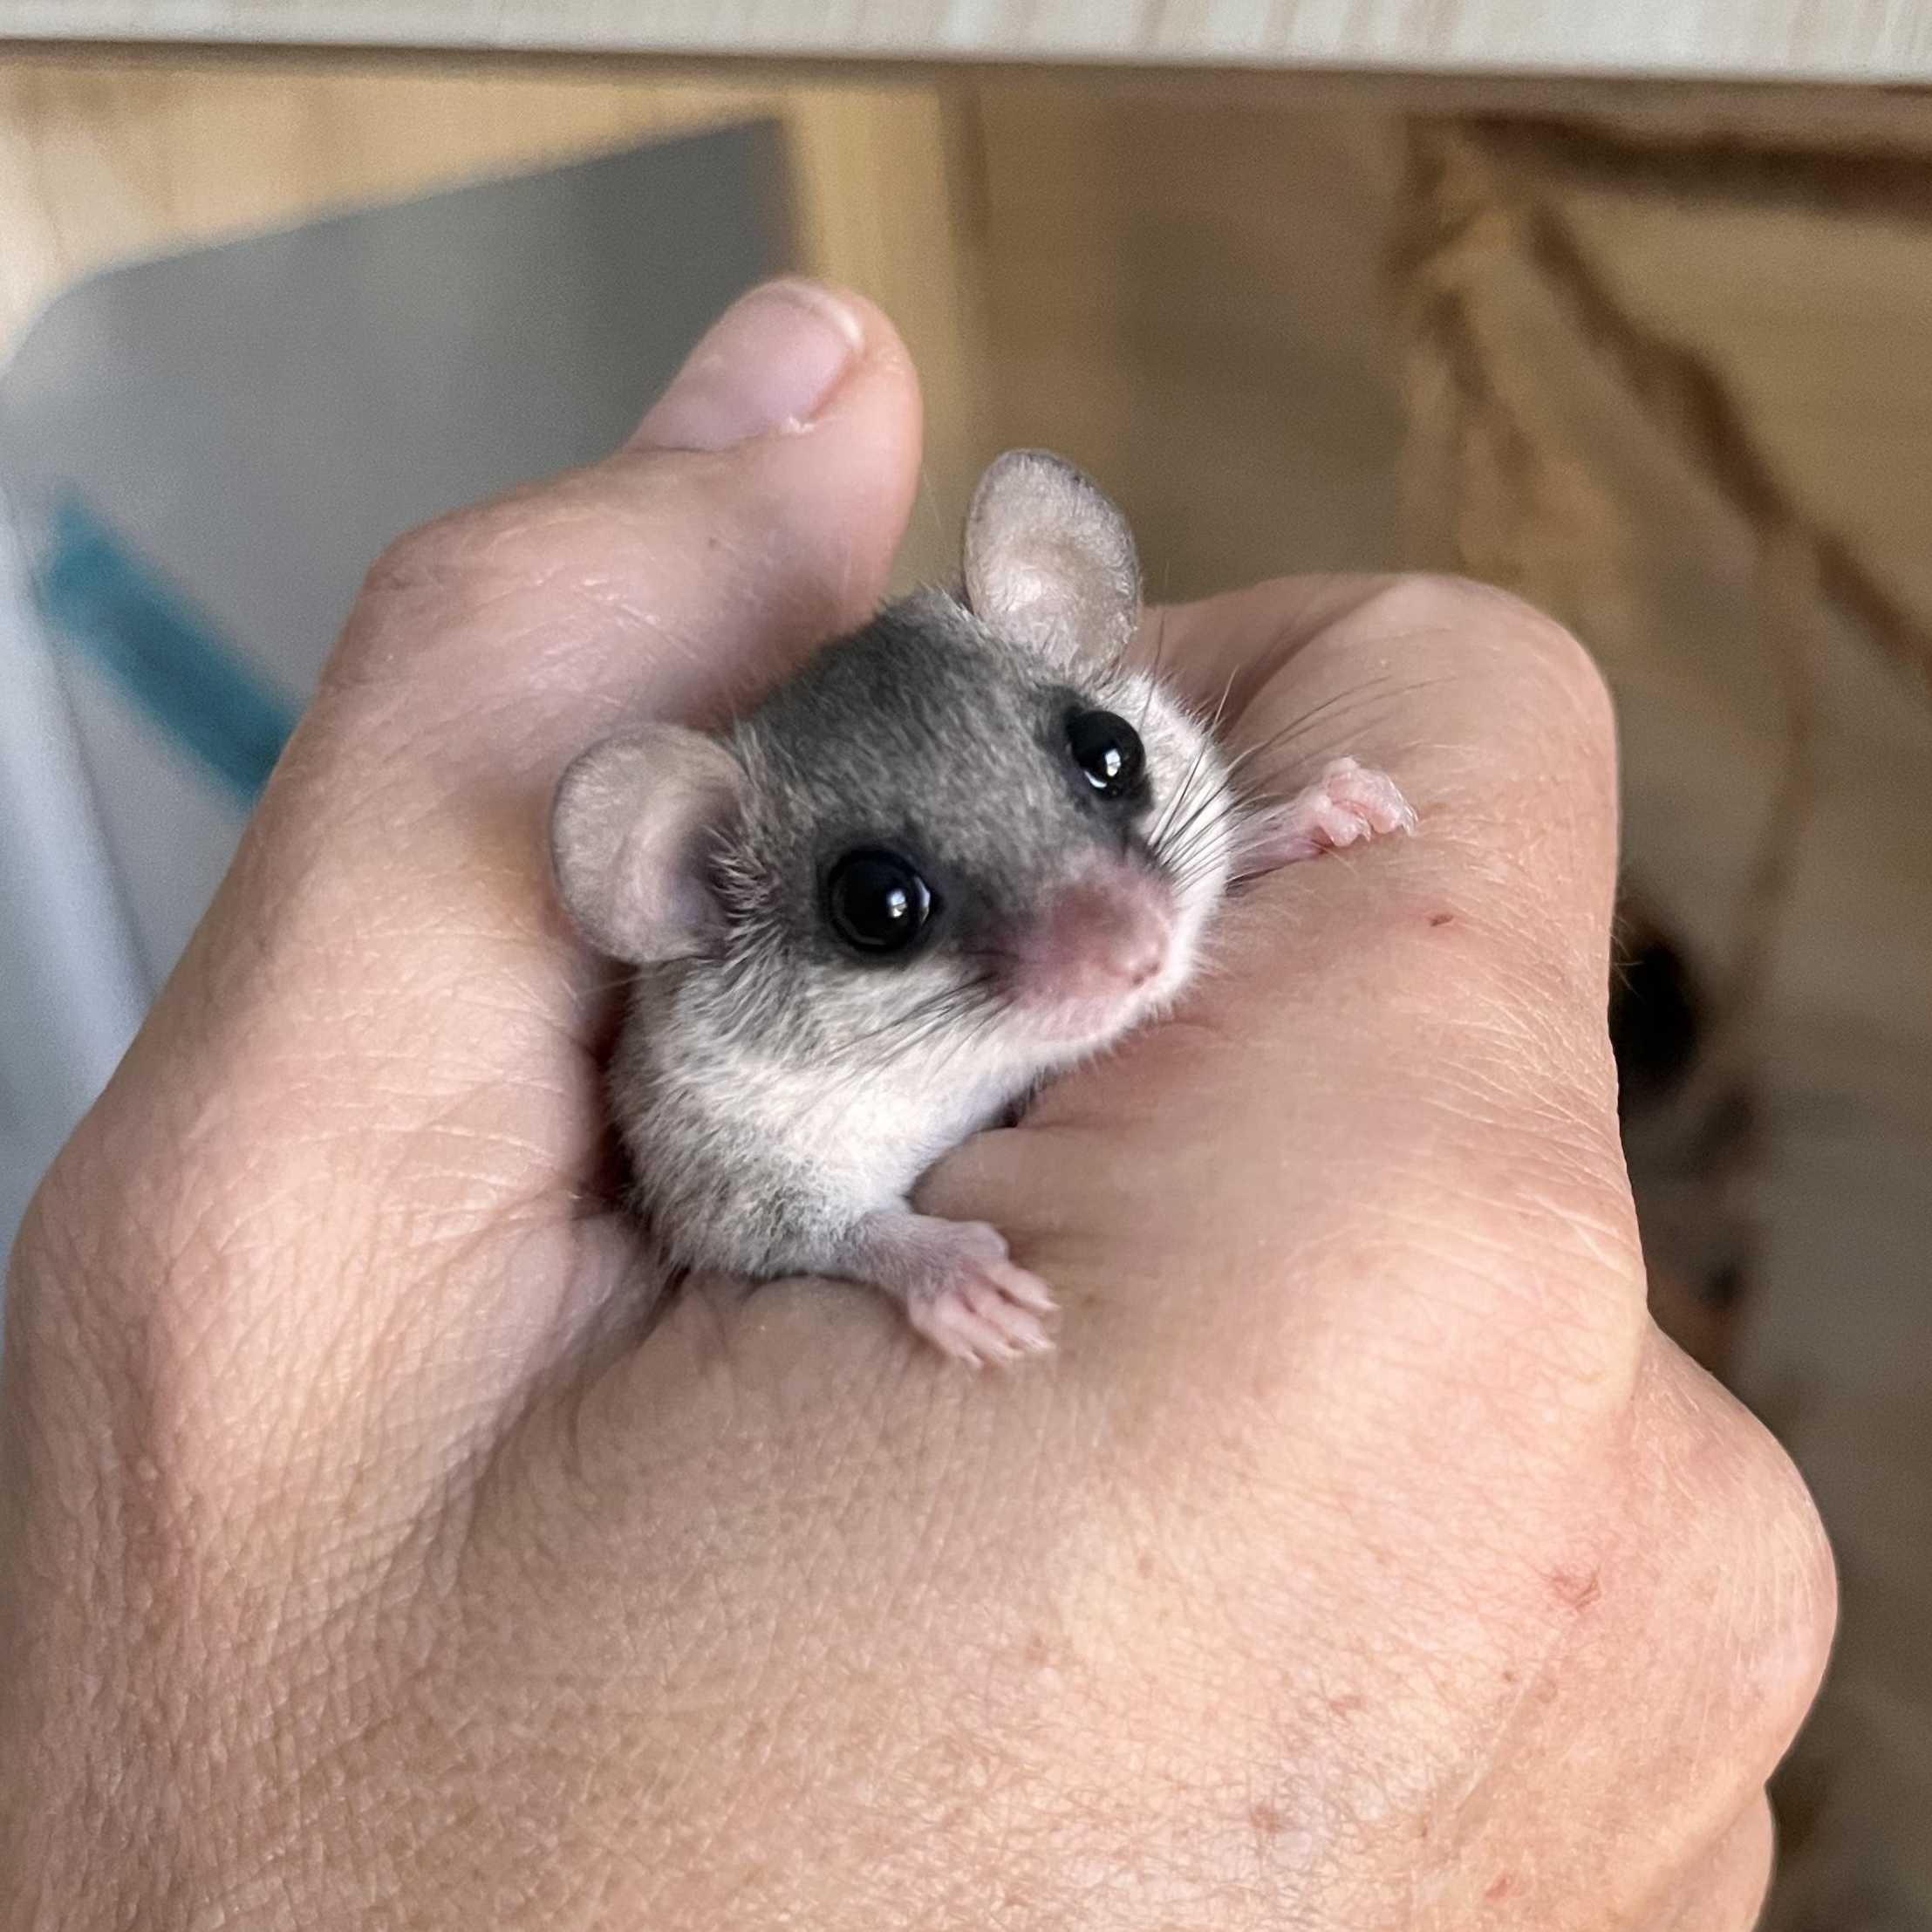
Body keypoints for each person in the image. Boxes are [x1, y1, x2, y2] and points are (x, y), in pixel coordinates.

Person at [0, 280, 1833, 1929]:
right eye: (887, 904)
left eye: (1103, 764)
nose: (1114, 921)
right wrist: (892, 1248)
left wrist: (1262, 834)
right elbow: (735, 1214)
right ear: (696, 885)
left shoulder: (1144, 820)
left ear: (1078, 627)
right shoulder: (737, 1069)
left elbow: (1153, 890)